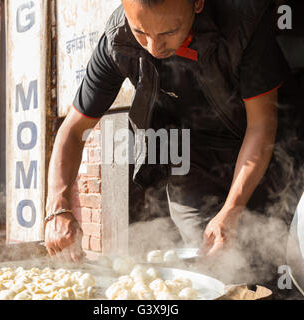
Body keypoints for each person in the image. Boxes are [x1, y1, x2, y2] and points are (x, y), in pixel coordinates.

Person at [44, 0, 290, 266]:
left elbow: (261, 127)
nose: (153, 47)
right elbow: (73, 129)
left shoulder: (243, 22)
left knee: (275, 255)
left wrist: (231, 208)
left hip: (259, 147)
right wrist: (57, 207)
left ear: (197, 3)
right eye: (141, 32)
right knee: (214, 261)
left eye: (168, 32)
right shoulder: (118, 38)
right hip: (189, 157)